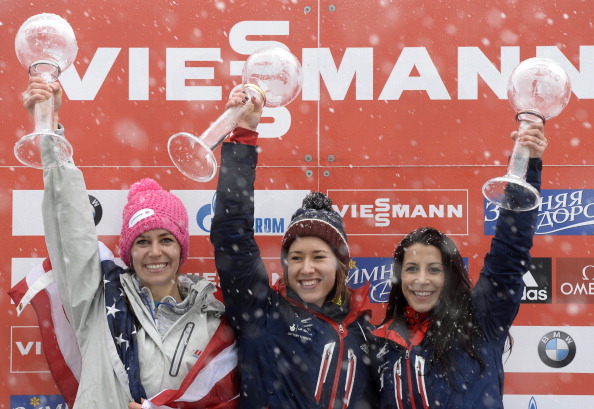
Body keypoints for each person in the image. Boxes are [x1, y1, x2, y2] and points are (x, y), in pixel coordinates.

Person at [23, 77, 238, 409]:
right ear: (128, 251)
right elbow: (71, 229)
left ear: (182, 247)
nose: (155, 252)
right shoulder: (97, 300)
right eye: (142, 241)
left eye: (166, 239)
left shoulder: (214, 318)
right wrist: (50, 133)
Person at [209, 89, 380, 409]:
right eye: (296, 257)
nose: (306, 268)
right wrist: (243, 135)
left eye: (319, 257)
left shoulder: (364, 333)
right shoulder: (261, 311)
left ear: (342, 264)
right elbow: (231, 235)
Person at [374, 123, 547, 408]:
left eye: (433, 269)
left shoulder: (480, 320)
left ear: (450, 274)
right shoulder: (382, 343)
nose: (421, 280)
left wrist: (525, 163)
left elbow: (510, 250)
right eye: (411, 269)